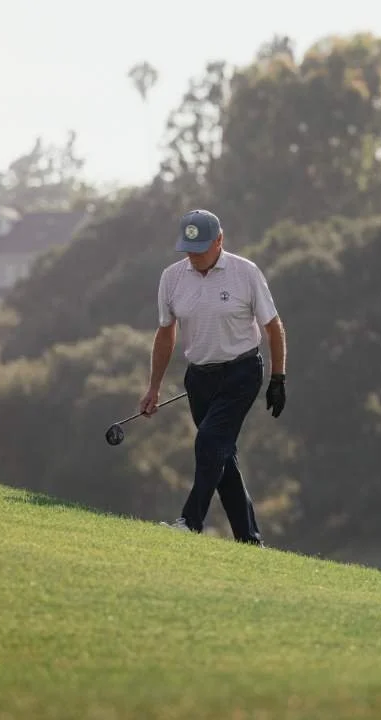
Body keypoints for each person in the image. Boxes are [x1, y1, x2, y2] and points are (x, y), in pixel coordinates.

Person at [139, 208, 286, 546]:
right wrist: (154, 387)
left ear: (220, 240)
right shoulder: (172, 278)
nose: (194, 256)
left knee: (209, 442)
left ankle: (190, 522)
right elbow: (165, 334)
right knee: (221, 457)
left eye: (201, 248)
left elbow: (272, 326)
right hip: (199, 380)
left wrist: (278, 378)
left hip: (242, 372)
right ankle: (250, 541)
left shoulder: (245, 273)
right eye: (188, 249)